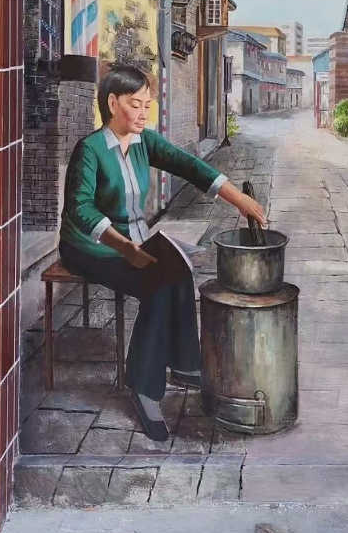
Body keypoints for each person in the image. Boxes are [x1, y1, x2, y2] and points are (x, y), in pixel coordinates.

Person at [58, 62, 267, 442]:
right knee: (157, 284)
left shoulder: (144, 142)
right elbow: (80, 209)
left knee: (178, 267)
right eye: (135, 104)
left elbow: (190, 166)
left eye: (147, 105)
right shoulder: (90, 150)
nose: (143, 113)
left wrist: (240, 200)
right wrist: (125, 248)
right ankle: (143, 387)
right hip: (90, 246)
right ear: (112, 103)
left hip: (133, 240)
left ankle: (185, 365)